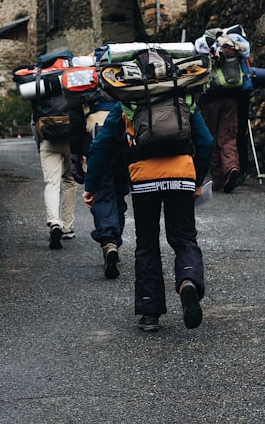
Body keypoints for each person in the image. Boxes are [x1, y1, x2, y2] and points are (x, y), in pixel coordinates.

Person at [82, 97, 213, 332]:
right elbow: (206, 141)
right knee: (183, 238)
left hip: (144, 179)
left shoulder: (127, 102)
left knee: (147, 243)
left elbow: (101, 144)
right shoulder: (184, 99)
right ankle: (187, 281)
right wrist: (197, 179)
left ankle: (149, 311)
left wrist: (91, 185)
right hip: (181, 174)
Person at [68, 94, 129, 278]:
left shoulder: (85, 82)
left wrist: (75, 156)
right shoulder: (125, 78)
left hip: (96, 138)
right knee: (119, 193)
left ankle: (109, 241)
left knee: (102, 194)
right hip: (125, 139)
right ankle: (114, 241)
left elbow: (76, 122)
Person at [196, 31, 251, 193]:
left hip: (209, 100)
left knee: (211, 138)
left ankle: (219, 180)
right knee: (228, 137)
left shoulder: (203, 44)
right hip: (231, 98)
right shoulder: (232, 43)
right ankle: (232, 168)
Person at [31, 89, 77, 250]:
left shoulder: (41, 84)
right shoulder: (72, 79)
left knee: (51, 183)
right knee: (70, 180)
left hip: (48, 138)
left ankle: (54, 223)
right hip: (71, 139)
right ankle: (67, 226)